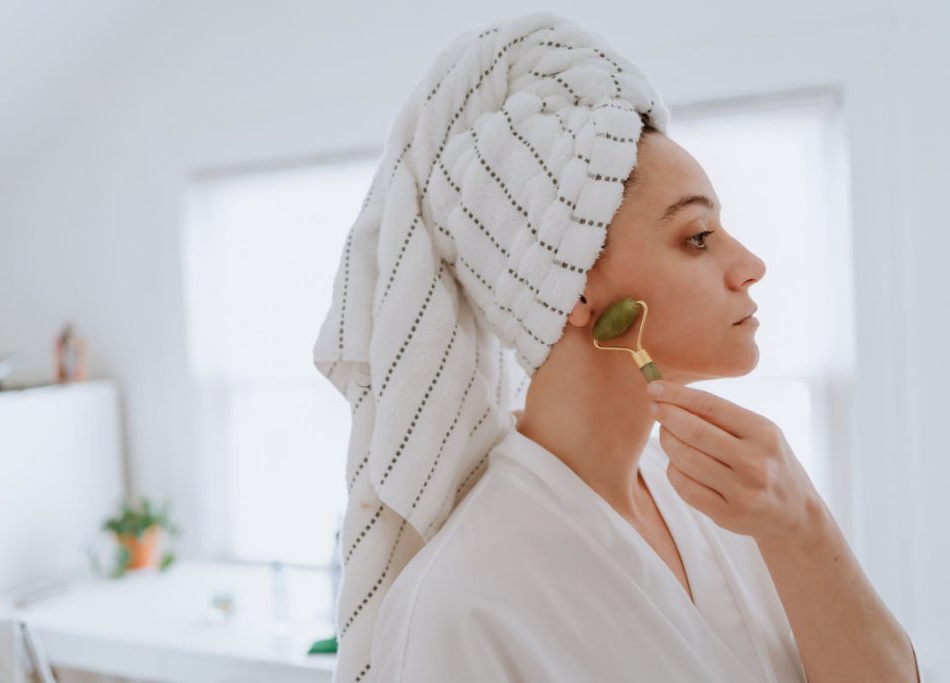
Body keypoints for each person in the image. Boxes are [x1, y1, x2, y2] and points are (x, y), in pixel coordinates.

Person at [313, 12, 923, 682]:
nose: (750, 264)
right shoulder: (462, 603)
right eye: (697, 235)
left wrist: (804, 529)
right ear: (570, 286)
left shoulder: (733, 496)